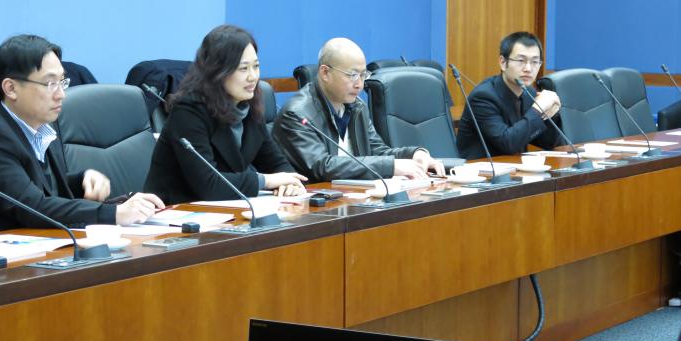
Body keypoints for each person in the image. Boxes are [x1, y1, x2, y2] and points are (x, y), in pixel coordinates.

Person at [0, 35, 164, 235]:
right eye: (50, 83)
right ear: (11, 88)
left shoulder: (42, 125)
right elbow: (33, 207)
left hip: (40, 246)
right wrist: (114, 214)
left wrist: (80, 181)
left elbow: (38, 186)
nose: (61, 94)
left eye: (62, 82)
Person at [144, 25, 306, 204]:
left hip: (225, 210)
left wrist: (290, 183)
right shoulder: (189, 112)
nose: (253, 77)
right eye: (243, 69)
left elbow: (277, 164)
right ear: (217, 71)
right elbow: (209, 185)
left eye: (256, 66)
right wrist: (266, 181)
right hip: (175, 211)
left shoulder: (248, 107)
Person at [272, 38, 446, 182]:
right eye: (353, 75)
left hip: (353, 197)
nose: (360, 84)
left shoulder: (357, 107)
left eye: (363, 75)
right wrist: (391, 166)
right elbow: (322, 167)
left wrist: (414, 155)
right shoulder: (297, 114)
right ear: (325, 73)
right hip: (313, 204)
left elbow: (378, 152)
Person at [456, 31, 562, 158]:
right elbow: (507, 144)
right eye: (521, 60)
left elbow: (548, 143)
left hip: (514, 167)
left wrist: (551, 112)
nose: (528, 68)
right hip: (480, 168)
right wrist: (538, 110)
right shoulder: (483, 97)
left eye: (535, 62)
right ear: (503, 62)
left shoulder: (529, 93)